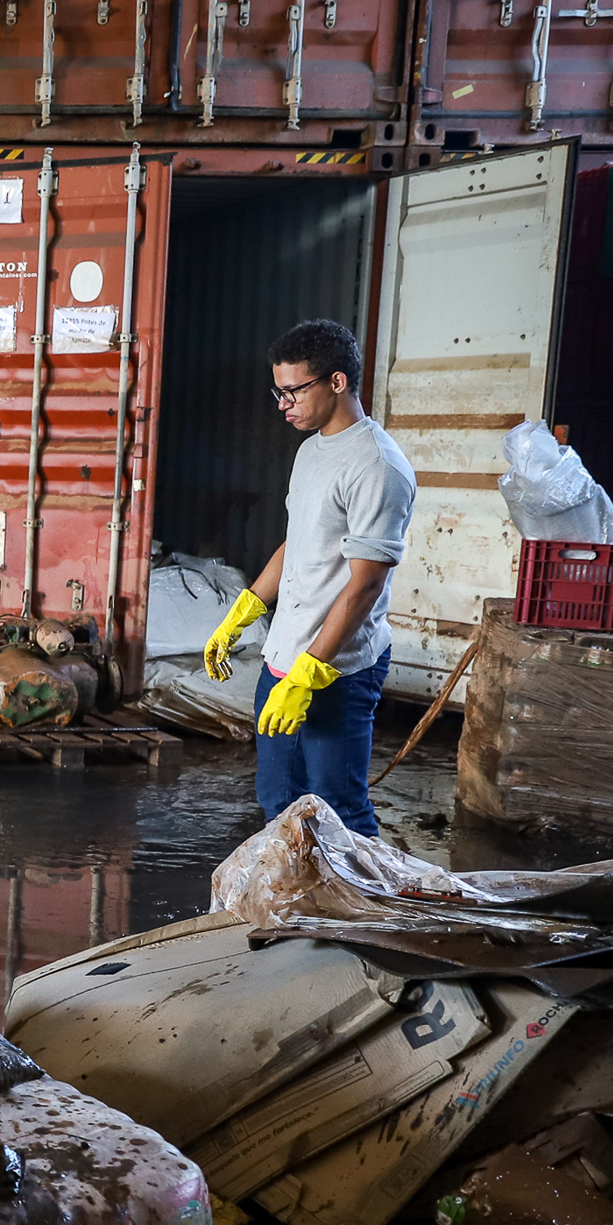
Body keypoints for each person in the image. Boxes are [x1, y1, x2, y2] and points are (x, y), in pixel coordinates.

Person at [201, 318, 416, 836]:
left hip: (334, 670)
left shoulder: (376, 467)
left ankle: (363, 915)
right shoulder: (312, 448)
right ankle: (302, 910)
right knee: (278, 799)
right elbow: (298, 542)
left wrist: (310, 673)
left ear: (336, 383)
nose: (283, 404)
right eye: (278, 391)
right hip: (285, 656)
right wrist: (244, 610)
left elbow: (365, 584)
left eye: (294, 390)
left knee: (339, 808)